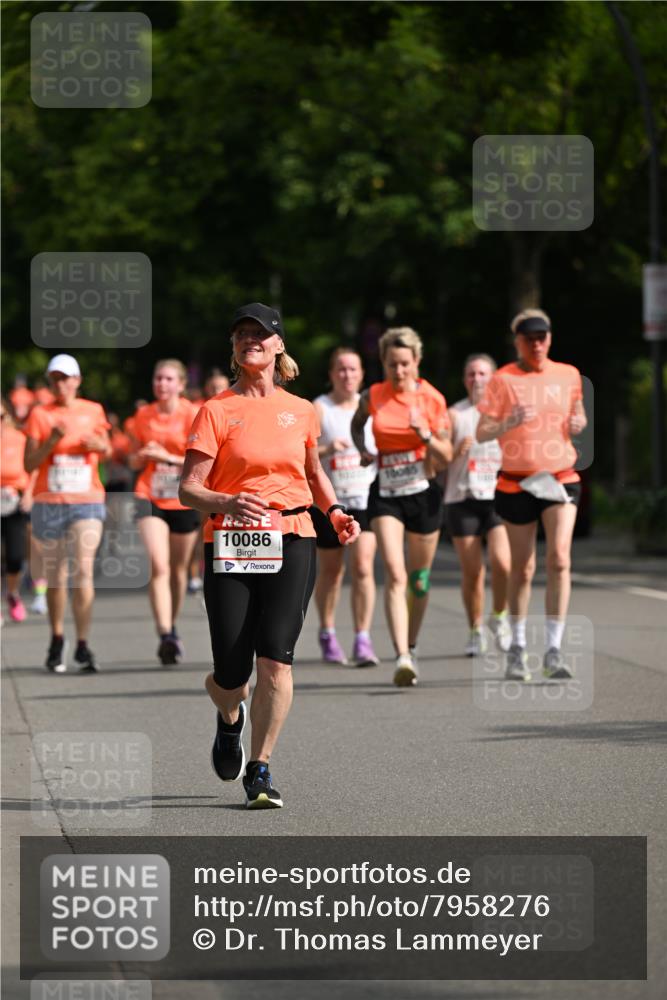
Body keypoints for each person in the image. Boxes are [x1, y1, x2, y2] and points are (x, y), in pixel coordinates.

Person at [179, 302, 359, 809]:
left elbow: (313, 472)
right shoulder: (216, 410)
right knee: (231, 673)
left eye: (259, 334)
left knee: (276, 659)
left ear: (279, 345)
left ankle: (260, 768)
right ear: (234, 349)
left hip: (293, 534)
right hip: (230, 542)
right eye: (240, 334)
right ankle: (228, 717)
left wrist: (336, 510)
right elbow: (189, 490)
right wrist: (227, 500)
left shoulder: (301, 410)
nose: (249, 340)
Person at [476, 309, 587, 680]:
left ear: (550, 339)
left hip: (559, 476)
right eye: (529, 338)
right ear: (518, 341)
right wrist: (508, 422)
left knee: (559, 558)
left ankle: (554, 649)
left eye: (543, 337)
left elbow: (578, 415)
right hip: (516, 480)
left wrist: (579, 423)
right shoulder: (503, 378)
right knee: (523, 568)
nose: (537, 344)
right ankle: (518, 646)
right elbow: (482, 431)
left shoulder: (568, 374)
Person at [351, 326, 452, 687]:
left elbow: (447, 455)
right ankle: (402, 657)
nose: (399, 371)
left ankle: (411, 641)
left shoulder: (432, 400)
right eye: (392, 364)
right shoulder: (373, 395)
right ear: (383, 363)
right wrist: (362, 449)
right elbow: (357, 423)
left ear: (417, 362)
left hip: (423, 495)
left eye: (405, 364)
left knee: (419, 581)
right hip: (387, 494)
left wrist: (425, 434)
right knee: (395, 573)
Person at [24, 355, 111, 673]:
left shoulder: (93, 410)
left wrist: (100, 444)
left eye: (66, 378)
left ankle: (84, 644)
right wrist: (52, 442)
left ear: (77, 380)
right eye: (55, 379)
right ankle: (58, 638)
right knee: (57, 575)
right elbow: (29, 464)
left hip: (86, 500)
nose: (60, 384)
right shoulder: (40, 414)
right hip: (49, 502)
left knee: (83, 571)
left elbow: (108, 448)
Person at [129, 360, 199, 666]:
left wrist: (167, 457)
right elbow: (132, 461)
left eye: (169, 379)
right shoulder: (143, 416)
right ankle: (165, 634)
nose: (162, 384)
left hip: (184, 497)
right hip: (149, 494)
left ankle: (172, 623)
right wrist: (140, 456)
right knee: (159, 565)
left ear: (181, 384)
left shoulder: (193, 414)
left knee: (178, 570)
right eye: (158, 378)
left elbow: (202, 460)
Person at [311, 347, 379, 666]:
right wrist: (327, 448)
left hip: (365, 499)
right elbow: (301, 455)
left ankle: (362, 639)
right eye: (340, 369)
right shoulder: (320, 409)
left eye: (353, 369)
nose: (347, 375)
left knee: (364, 567)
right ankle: (327, 632)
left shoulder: (373, 409)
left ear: (362, 374)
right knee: (332, 571)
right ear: (331, 374)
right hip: (329, 503)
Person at [444, 354, 511, 656]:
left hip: (497, 498)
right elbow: (438, 457)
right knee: (473, 572)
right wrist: (456, 450)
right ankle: (475, 629)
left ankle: (499, 616)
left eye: (483, 374)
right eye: (471, 374)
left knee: (503, 563)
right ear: (464, 379)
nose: (477, 379)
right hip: (462, 498)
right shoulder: (455, 414)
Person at [187, 369, 231, 592]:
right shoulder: (202, 411)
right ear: (206, 389)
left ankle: (225, 567)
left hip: (226, 480)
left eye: (220, 387)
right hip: (204, 481)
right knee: (203, 528)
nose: (217, 391)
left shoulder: (235, 408)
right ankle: (196, 573)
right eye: (213, 388)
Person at [1, 397, 33, 622]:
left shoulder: (19, 439)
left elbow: (33, 468)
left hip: (14, 501)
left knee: (14, 556)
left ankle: (12, 593)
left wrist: (29, 493)